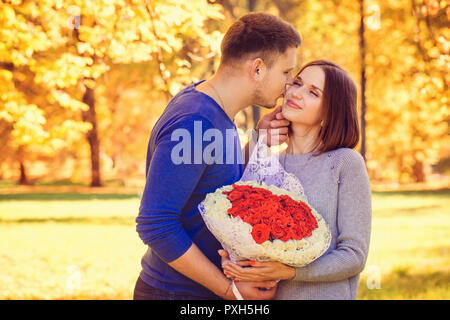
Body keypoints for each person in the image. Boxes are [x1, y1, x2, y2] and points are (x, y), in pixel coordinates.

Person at [133, 12, 301, 300]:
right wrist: (229, 290)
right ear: (258, 69)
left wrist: (257, 142)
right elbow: (156, 224)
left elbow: (218, 188)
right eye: (286, 72)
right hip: (176, 294)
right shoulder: (197, 121)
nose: (289, 85)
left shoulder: (216, 112)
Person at [221, 60, 372, 300]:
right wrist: (235, 262)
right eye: (298, 83)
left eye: (313, 92)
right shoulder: (268, 162)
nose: (296, 93)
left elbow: (353, 256)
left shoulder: (345, 163)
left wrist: (290, 272)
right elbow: (239, 220)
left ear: (331, 111)